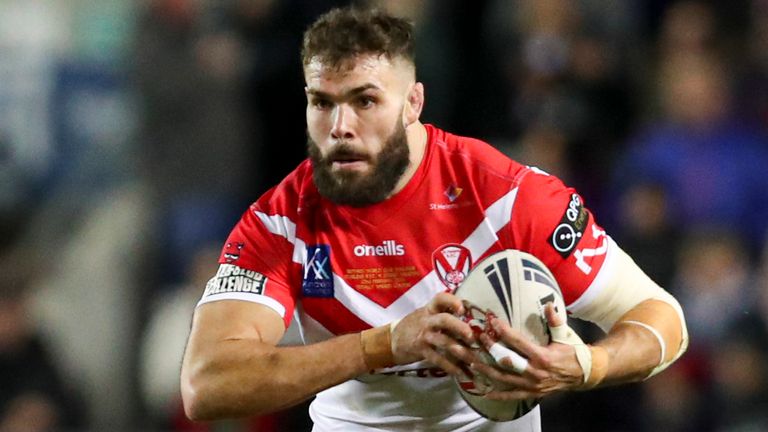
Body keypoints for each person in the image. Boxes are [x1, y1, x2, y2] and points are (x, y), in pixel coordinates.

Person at [180, 6, 689, 431]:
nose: (340, 128)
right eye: (322, 102)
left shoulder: (505, 197)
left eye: (365, 101)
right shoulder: (280, 219)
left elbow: (659, 317)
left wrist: (588, 365)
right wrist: (382, 346)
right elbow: (206, 385)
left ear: (413, 103)